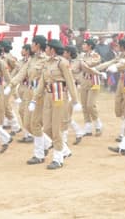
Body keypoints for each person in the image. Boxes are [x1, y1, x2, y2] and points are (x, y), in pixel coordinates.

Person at [28, 38, 80, 169]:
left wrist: (75, 100)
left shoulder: (62, 63)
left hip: (59, 96)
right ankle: (64, 150)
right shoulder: (46, 63)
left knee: (56, 129)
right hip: (48, 96)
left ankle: (58, 159)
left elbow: (70, 81)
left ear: (52, 49)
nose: (45, 49)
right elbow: (42, 82)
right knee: (47, 128)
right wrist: (34, 99)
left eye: (47, 47)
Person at [5, 32, 51, 165]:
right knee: (26, 124)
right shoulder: (32, 59)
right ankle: (48, 143)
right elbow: (21, 73)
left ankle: (39, 154)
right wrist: (11, 85)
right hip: (29, 92)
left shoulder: (46, 60)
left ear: (38, 45)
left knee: (35, 124)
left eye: (32, 43)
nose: (31, 46)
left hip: (39, 94)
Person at [78, 35, 103, 137]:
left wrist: (82, 62)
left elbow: (91, 64)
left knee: (90, 105)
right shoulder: (82, 56)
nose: (83, 46)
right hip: (84, 81)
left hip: (93, 81)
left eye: (85, 44)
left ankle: (98, 125)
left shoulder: (95, 55)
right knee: (84, 105)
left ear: (90, 46)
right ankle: (88, 127)